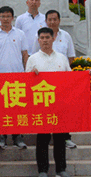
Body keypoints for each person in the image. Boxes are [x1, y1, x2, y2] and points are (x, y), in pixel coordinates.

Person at [26, 27, 73, 177]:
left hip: (59, 105)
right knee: (42, 139)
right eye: (42, 38)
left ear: (53, 39)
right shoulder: (32, 59)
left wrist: (85, 75)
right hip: (41, 105)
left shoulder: (61, 58)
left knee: (60, 139)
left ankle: (61, 169)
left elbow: (71, 79)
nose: (45, 40)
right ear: (38, 40)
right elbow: (25, 83)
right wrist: (32, 75)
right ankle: (42, 170)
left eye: (48, 37)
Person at [32, 10, 78, 149]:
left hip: (60, 83)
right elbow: (35, 55)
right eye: (49, 19)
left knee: (61, 116)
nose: (52, 22)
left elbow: (70, 56)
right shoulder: (38, 38)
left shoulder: (66, 36)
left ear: (59, 20)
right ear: (45, 21)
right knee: (44, 125)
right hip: (43, 88)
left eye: (55, 19)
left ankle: (66, 137)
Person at [0, 6, 30, 150]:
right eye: (3, 16)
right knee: (0, 109)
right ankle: (1, 137)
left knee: (17, 108)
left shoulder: (20, 34)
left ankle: (18, 137)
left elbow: (25, 54)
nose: (5, 19)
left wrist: (26, 71)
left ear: (13, 18)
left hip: (17, 75)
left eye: (8, 16)